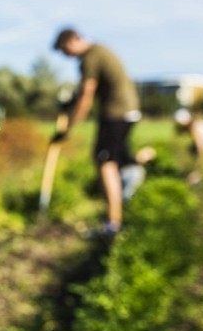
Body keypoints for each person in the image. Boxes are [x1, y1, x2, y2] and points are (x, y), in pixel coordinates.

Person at [51, 28, 141, 236]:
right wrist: (70, 101)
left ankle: (112, 224)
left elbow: (87, 94)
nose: (68, 56)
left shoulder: (90, 57)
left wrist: (68, 128)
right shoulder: (101, 50)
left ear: (74, 40)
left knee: (105, 162)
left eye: (66, 50)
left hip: (115, 113)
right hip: (129, 111)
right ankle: (125, 204)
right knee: (119, 160)